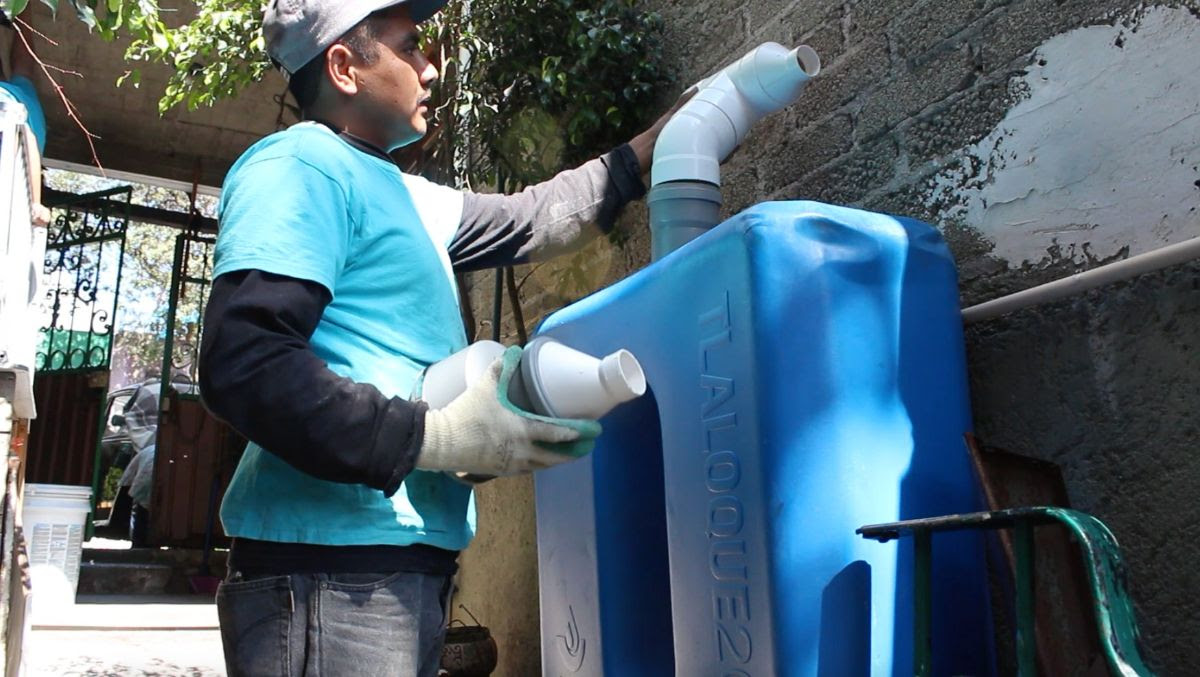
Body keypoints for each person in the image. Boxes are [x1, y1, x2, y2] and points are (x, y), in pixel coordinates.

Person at [198, 1, 689, 674]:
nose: (432, 68)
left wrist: (661, 142)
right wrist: (435, 436)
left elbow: (535, 218)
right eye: (410, 47)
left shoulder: (406, 195)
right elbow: (244, 365)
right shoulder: (301, 166)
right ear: (344, 65)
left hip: (390, 567)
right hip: (329, 573)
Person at [1, 7, 50, 225]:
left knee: (23, 68)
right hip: (17, 109)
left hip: (24, 108)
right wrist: (36, 204)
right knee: (23, 67)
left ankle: (24, 6)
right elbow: (26, 136)